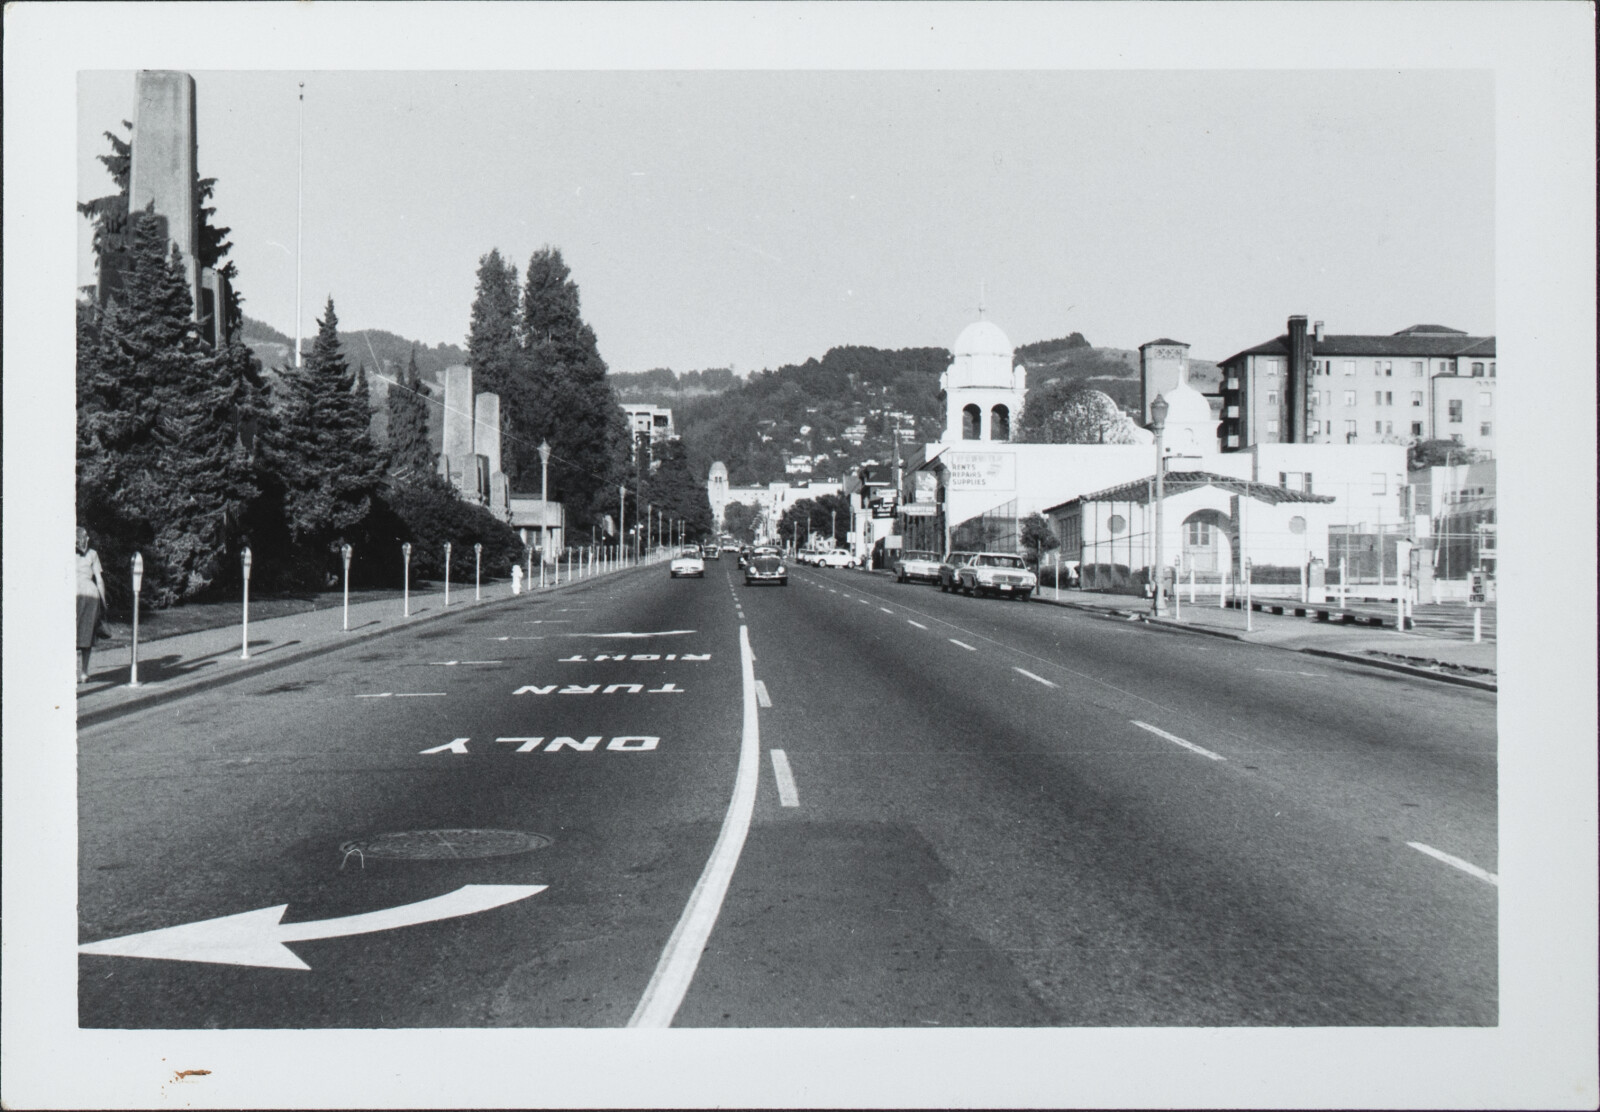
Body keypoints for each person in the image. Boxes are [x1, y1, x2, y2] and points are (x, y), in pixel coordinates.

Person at [76, 527, 108, 683]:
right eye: (85, 536)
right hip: (88, 594)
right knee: (85, 632)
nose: (88, 539)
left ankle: (78, 671)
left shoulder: (90, 554)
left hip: (78, 594)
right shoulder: (92, 554)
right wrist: (103, 600)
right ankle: (83, 672)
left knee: (77, 632)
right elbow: (99, 580)